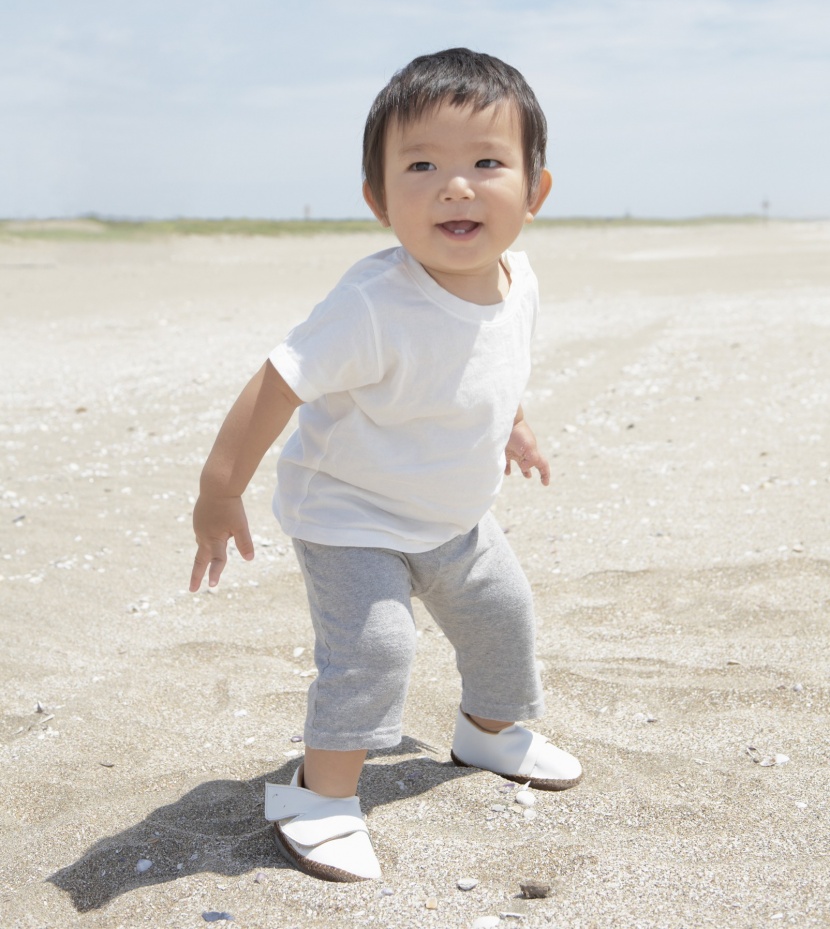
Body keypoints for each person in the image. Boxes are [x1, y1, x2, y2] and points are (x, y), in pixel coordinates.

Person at [190, 48, 582, 884]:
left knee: (503, 616)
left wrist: (516, 426)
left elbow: (491, 365)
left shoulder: (521, 281)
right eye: (422, 165)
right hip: (352, 515)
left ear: (535, 190)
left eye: (487, 162)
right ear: (378, 199)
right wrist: (220, 489)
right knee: (375, 648)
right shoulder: (373, 302)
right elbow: (277, 383)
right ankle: (318, 796)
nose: (456, 185)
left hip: (454, 513)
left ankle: (488, 728)